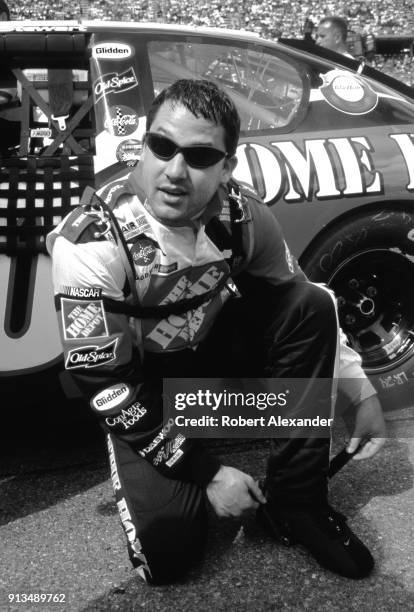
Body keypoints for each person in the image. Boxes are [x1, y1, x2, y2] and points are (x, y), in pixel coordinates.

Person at [46, 79, 386, 585]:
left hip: (210, 368)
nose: (175, 172)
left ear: (228, 166)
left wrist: (360, 392)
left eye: (201, 156)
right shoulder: (91, 242)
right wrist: (208, 472)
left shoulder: (244, 214)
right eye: (162, 147)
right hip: (142, 393)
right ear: (144, 145)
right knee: (169, 558)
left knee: (310, 302)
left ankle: (298, 502)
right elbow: (106, 387)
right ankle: (195, 446)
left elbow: (306, 305)